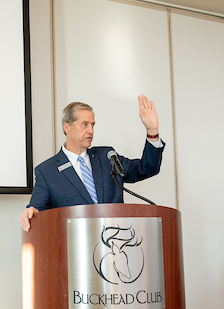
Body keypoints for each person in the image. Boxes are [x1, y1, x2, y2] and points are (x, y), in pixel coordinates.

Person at [19, 94, 164, 232]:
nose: (91, 130)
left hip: (115, 242)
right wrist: (30, 212)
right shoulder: (47, 171)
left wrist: (152, 130)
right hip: (73, 248)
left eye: (93, 125)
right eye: (84, 125)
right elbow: (36, 208)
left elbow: (147, 168)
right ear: (67, 128)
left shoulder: (107, 157)